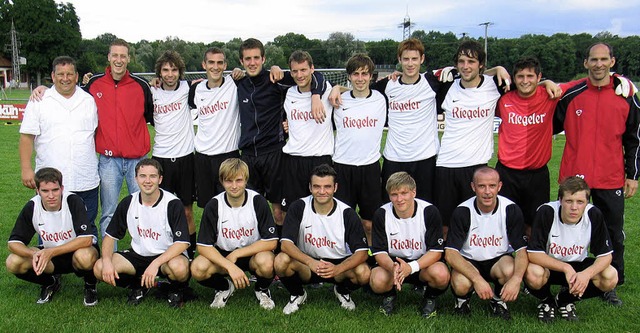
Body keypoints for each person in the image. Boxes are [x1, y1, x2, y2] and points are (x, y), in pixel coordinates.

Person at [554, 42, 640, 305]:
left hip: (610, 177)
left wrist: (632, 175)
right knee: (562, 230)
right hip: (574, 178)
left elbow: (635, 138)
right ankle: (552, 278)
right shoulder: (571, 93)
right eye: (594, 59)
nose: (599, 64)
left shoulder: (626, 95)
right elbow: (547, 112)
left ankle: (610, 284)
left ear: (612, 62)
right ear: (586, 63)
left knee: (612, 232)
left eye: (604, 59)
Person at [236, 38, 326, 231]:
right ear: (241, 62)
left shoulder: (276, 80)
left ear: (263, 59)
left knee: (279, 212)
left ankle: (279, 250)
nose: (252, 62)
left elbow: (314, 74)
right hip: (248, 156)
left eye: (256, 58)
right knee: (250, 209)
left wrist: (316, 94)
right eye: (247, 59)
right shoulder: (238, 83)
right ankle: (255, 252)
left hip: (274, 154)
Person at [435, 41, 513, 240]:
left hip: (476, 167)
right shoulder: (447, 86)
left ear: (481, 65)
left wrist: (499, 69)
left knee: (475, 225)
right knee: (445, 226)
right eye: (461, 61)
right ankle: (445, 268)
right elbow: (413, 74)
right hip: (446, 165)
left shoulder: (494, 85)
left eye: (471, 61)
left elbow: (526, 84)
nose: (466, 66)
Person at [93, 159, 190, 308]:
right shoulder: (128, 202)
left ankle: (175, 289)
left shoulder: (172, 203)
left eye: (152, 176)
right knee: (99, 268)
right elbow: (110, 236)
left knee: (180, 268)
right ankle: (139, 285)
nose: (148, 181)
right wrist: (106, 262)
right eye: (143, 176)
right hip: (138, 255)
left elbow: (182, 242)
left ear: (160, 179)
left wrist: (156, 263)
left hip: (167, 257)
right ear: (136, 178)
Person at [19, 56, 100, 236]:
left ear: (77, 76)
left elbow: (93, 134)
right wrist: (26, 169)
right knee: (50, 229)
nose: (66, 78)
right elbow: (26, 137)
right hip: (50, 181)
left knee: (85, 229)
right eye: (61, 74)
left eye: (70, 74)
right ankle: (49, 262)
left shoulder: (88, 101)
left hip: (85, 179)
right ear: (53, 76)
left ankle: (87, 264)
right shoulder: (39, 101)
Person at [274, 164, 370, 314]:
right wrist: (310, 262)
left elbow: (362, 253)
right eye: (317, 187)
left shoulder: (347, 213)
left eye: (327, 187)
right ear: (310, 187)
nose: (322, 191)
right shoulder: (299, 206)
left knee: (363, 272)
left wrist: (338, 268)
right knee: (281, 261)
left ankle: (342, 290)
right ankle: (297, 293)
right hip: (307, 264)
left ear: (335, 187)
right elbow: (286, 244)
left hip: (338, 266)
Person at [525, 176, 618, 322]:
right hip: (548, 265)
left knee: (610, 276)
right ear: (560, 200)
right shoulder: (547, 211)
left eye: (580, 202)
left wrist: (586, 274)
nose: (574, 207)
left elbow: (606, 256)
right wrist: (566, 268)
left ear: (587, 202)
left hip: (578, 266)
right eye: (569, 201)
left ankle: (564, 299)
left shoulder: (593, 214)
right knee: (533, 273)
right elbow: (533, 254)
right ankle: (546, 301)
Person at [191, 158, 278, 310]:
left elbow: (271, 241)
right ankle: (225, 286)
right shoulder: (214, 204)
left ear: (246, 180)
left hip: (252, 254)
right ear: (221, 181)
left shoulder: (257, 201)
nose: (234, 186)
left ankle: (262, 290)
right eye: (229, 181)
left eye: (238, 180)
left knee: (268, 262)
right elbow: (203, 247)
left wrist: (238, 253)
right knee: (198, 267)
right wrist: (230, 267)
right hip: (224, 256)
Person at [444, 166, 528, 320]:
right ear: (473, 187)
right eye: (481, 186)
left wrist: (517, 279)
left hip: (499, 260)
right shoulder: (463, 211)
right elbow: (450, 254)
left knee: (510, 271)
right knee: (460, 282)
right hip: (470, 260)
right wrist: (477, 279)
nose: (487, 191)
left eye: (492, 186)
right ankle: (462, 301)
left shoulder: (510, 209)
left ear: (499, 186)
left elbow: (522, 251)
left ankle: (497, 300)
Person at [6, 167, 99, 305]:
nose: (51, 195)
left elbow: (86, 239)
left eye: (55, 190)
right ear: (37, 191)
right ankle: (50, 282)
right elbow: (13, 243)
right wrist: (33, 254)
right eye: (45, 191)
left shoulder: (73, 201)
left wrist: (51, 252)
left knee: (85, 257)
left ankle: (90, 287)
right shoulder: (32, 206)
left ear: (61, 188)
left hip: (76, 252)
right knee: (13, 262)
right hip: (52, 257)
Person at [369, 172, 449, 317]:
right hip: (394, 263)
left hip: (422, 263)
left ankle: (430, 298)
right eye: (394, 194)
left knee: (441, 274)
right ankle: (389, 296)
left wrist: (411, 267)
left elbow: (436, 251)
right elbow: (379, 252)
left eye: (404, 193)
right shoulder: (381, 214)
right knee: (377, 280)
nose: (399, 199)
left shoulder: (429, 211)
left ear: (414, 192)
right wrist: (393, 268)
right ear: (389, 195)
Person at [331, 53, 386, 244]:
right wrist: (336, 88)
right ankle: (344, 258)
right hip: (342, 167)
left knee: (369, 223)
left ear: (371, 76)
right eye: (356, 74)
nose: (360, 79)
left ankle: (370, 259)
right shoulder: (337, 101)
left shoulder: (381, 98)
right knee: (341, 220)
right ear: (349, 76)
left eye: (364, 74)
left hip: (369, 167)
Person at [150, 50, 197, 259]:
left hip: (186, 157)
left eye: (174, 70)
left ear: (180, 72)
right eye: (165, 70)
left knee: (187, 211)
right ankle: (165, 251)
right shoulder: (152, 92)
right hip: (161, 159)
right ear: (159, 72)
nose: (170, 74)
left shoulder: (189, 89)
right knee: (163, 211)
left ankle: (192, 252)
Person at [280, 50, 334, 214]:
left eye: (303, 70)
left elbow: (322, 79)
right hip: (293, 160)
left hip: (320, 159)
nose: (299, 75)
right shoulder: (289, 93)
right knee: (292, 211)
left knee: (321, 211)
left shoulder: (326, 89)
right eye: (295, 71)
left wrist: (317, 96)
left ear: (312, 69)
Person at [189, 47, 241, 209]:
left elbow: (259, 76)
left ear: (225, 65)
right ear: (204, 65)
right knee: (208, 206)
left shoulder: (235, 84)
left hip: (228, 155)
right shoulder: (196, 89)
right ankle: (210, 235)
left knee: (231, 205)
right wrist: (157, 81)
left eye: (220, 63)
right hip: (203, 157)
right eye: (211, 62)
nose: (215, 67)